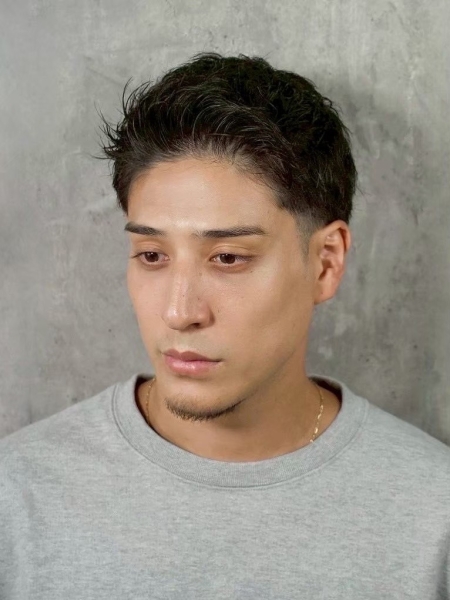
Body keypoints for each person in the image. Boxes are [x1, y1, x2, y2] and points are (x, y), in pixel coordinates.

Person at [1, 52, 449, 599]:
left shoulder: (433, 515)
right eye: (151, 255)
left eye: (228, 258)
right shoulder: (17, 495)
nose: (179, 312)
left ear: (325, 263)